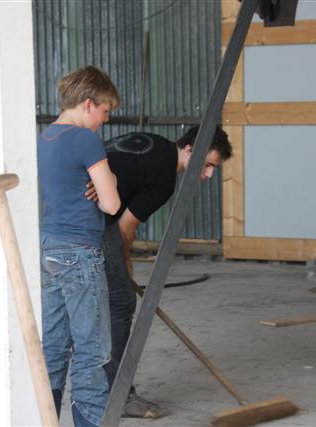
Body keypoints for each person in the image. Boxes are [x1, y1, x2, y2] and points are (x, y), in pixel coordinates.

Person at [87, 126, 232, 418]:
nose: (208, 175)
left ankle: (102, 390)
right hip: (93, 222)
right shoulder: (164, 179)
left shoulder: (153, 142)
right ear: (189, 150)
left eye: (213, 169)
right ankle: (118, 395)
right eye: (207, 165)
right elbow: (124, 230)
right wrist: (125, 271)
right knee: (120, 303)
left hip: (67, 214)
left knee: (104, 303)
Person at [38, 65, 121, 427]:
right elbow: (112, 204)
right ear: (88, 104)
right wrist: (110, 178)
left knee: (54, 347)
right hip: (80, 252)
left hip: (49, 248)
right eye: (104, 110)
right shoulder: (85, 140)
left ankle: (44, 419)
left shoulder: (45, 137)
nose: (105, 119)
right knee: (92, 350)